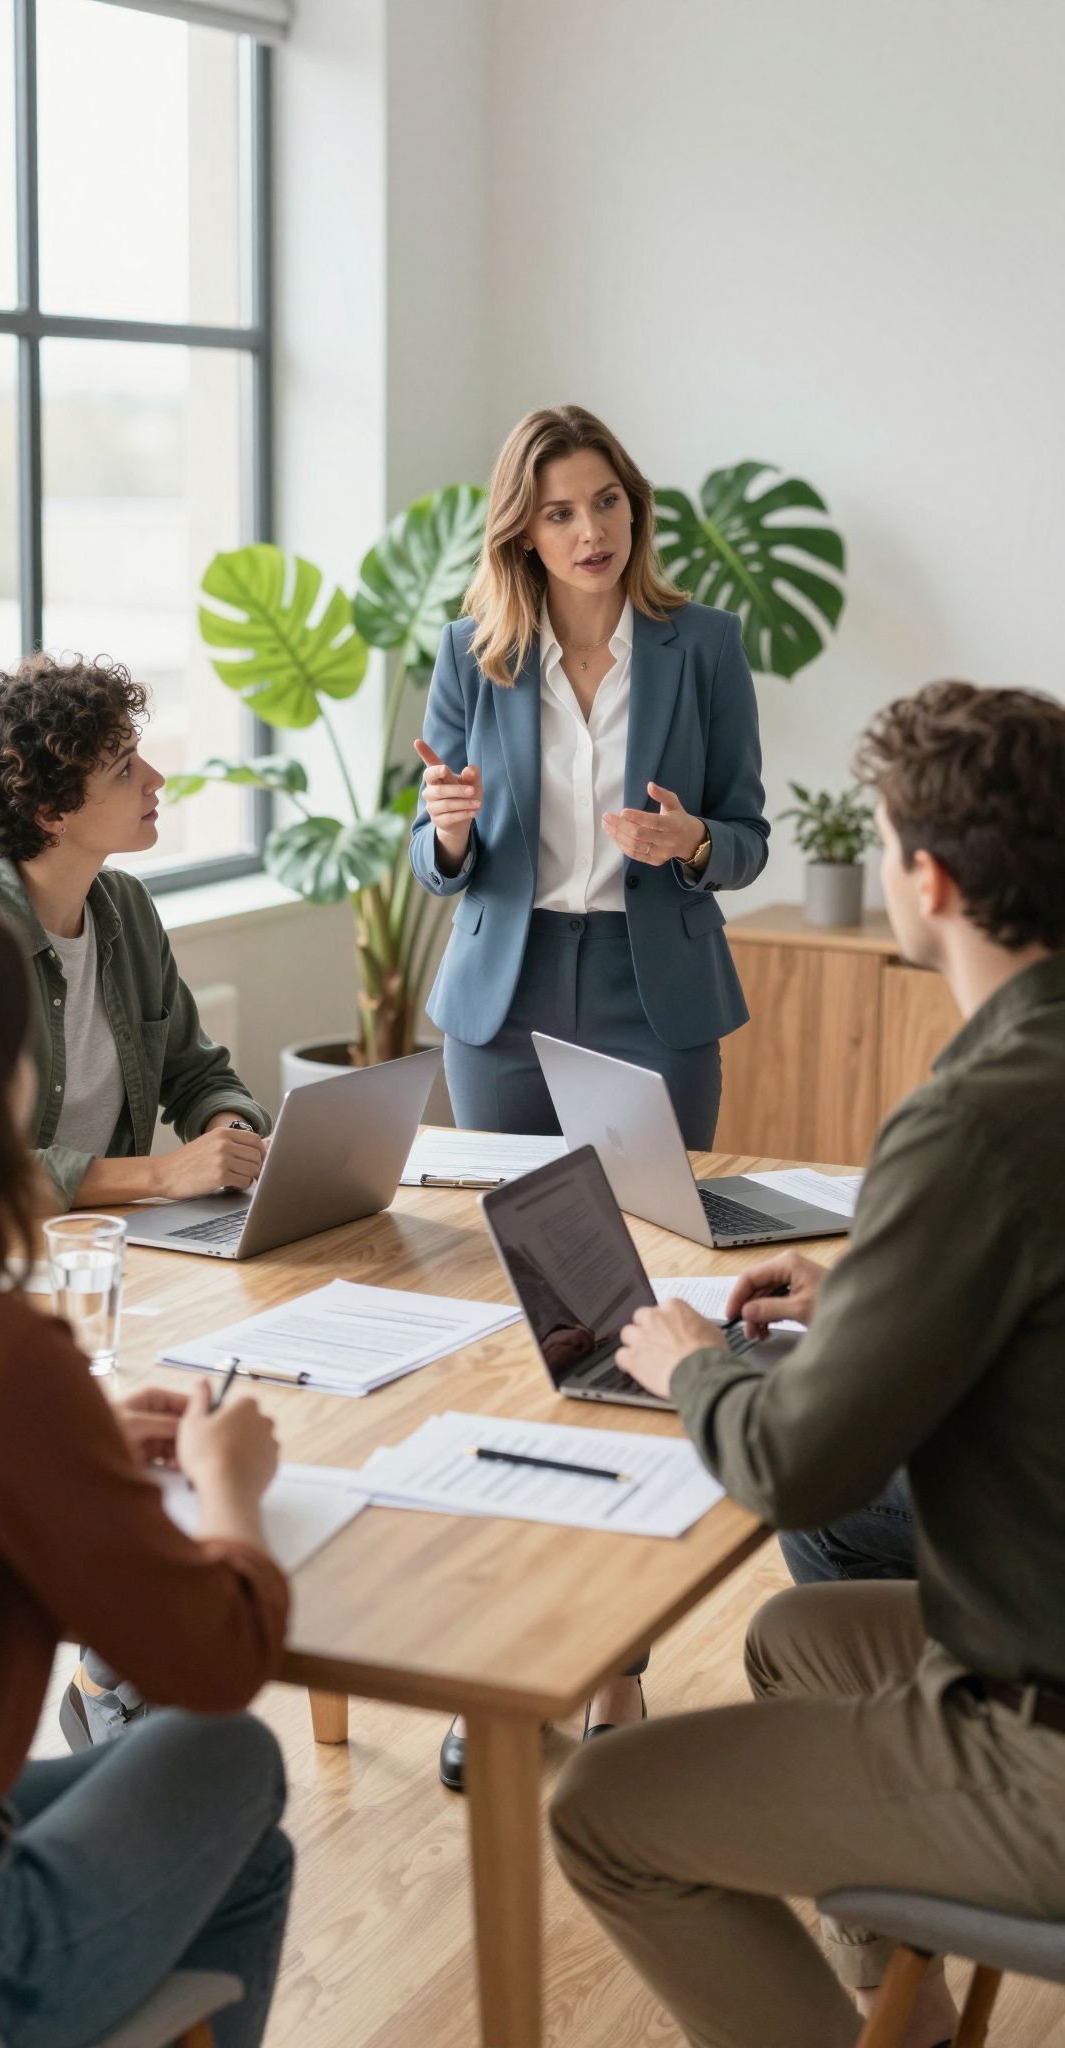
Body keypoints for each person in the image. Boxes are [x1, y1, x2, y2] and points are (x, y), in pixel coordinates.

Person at [549, 679, 1065, 2048]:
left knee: (601, 1812)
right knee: (795, 1638)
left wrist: (686, 1364)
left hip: (1048, 1742)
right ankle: (919, 2018)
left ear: (930, 879)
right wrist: (866, 1294)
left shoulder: (977, 1116)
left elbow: (794, 1466)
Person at [410, 406, 768, 1781]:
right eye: (561, 511)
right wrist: (443, 837)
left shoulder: (704, 646)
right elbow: (447, 848)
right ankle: (496, 1665)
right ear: (525, 528)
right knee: (510, 1335)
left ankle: (613, 1671)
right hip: (501, 1006)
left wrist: (689, 843)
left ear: (633, 509)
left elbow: (745, 834)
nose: (592, 531)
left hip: (648, 991)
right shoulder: (471, 653)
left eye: (606, 501)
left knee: (639, 1321)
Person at [0, 895, 293, 2048]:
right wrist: (227, 1480)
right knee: (229, 1754)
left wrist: (70, 1439)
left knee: (243, 1850)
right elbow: (217, 1661)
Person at [0, 651, 271, 1215]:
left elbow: (197, 1075)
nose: (155, 780)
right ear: (50, 812)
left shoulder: (127, 907)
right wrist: (161, 1174)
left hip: (113, 1237)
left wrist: (227, 1136)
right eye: (124, 768)